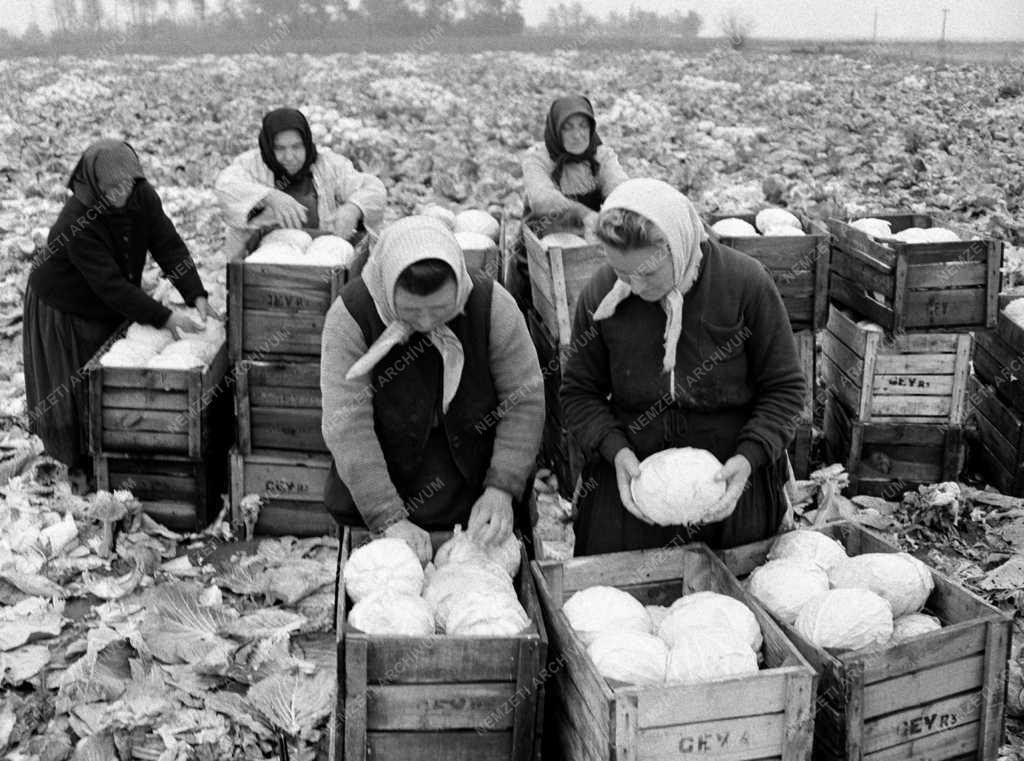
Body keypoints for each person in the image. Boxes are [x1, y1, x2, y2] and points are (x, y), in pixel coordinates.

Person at [560, 178, 805, 555]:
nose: (635, 287)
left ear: (679, 244)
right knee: (611, 585)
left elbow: (785, 389)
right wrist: (616, 451)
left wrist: (750, 456)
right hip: (634, 460)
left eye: (648, 273)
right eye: (624, 273)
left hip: (731, 460)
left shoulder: (745, 283)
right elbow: (579, 393)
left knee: (741, 584)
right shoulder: (602, 293)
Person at [321, 216, 545, 562]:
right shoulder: (352, 315)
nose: (426, 322)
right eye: (410, 311)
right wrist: (387, 515)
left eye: (441, 309)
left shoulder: (491, 305)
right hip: (385, 485)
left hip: (475, 493)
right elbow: (347, 426)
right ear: (387, 288)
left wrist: (502, 486)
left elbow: (523, 401)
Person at [23, 139, 215, 490]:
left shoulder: (142, 197)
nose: (121, 193)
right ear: (95, 184)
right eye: (112, 188)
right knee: (77, 383)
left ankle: (112, 456)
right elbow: (110, 286)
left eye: (128, 184)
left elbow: (167, 244)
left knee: (109, 379)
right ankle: (76, 468)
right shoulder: (78, 220)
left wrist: (195, 292)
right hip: (64, 305)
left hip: (106, 297)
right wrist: (165, 317)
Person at [509, 95, 628, 310]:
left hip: (590, 251)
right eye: (568, 127)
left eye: (583, 126)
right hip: (540, 255)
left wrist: (615, 212)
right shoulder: (538, 159)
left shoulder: (601, 157)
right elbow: (542, 200)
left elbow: (621, 189)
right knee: (532, 301)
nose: (577, 135)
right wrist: (585, 214)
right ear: (555, 130)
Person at [214, 107, 386, 256]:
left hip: (321, 255)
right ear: (268, 147)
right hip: (264, 262)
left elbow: (372, 188)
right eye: (280, 149)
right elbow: (225, 188)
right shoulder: (251, 165)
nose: (289, 157)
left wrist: (353, 208)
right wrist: (270, 197)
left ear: (307, 143)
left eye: (296, 147)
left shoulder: (328, 165)